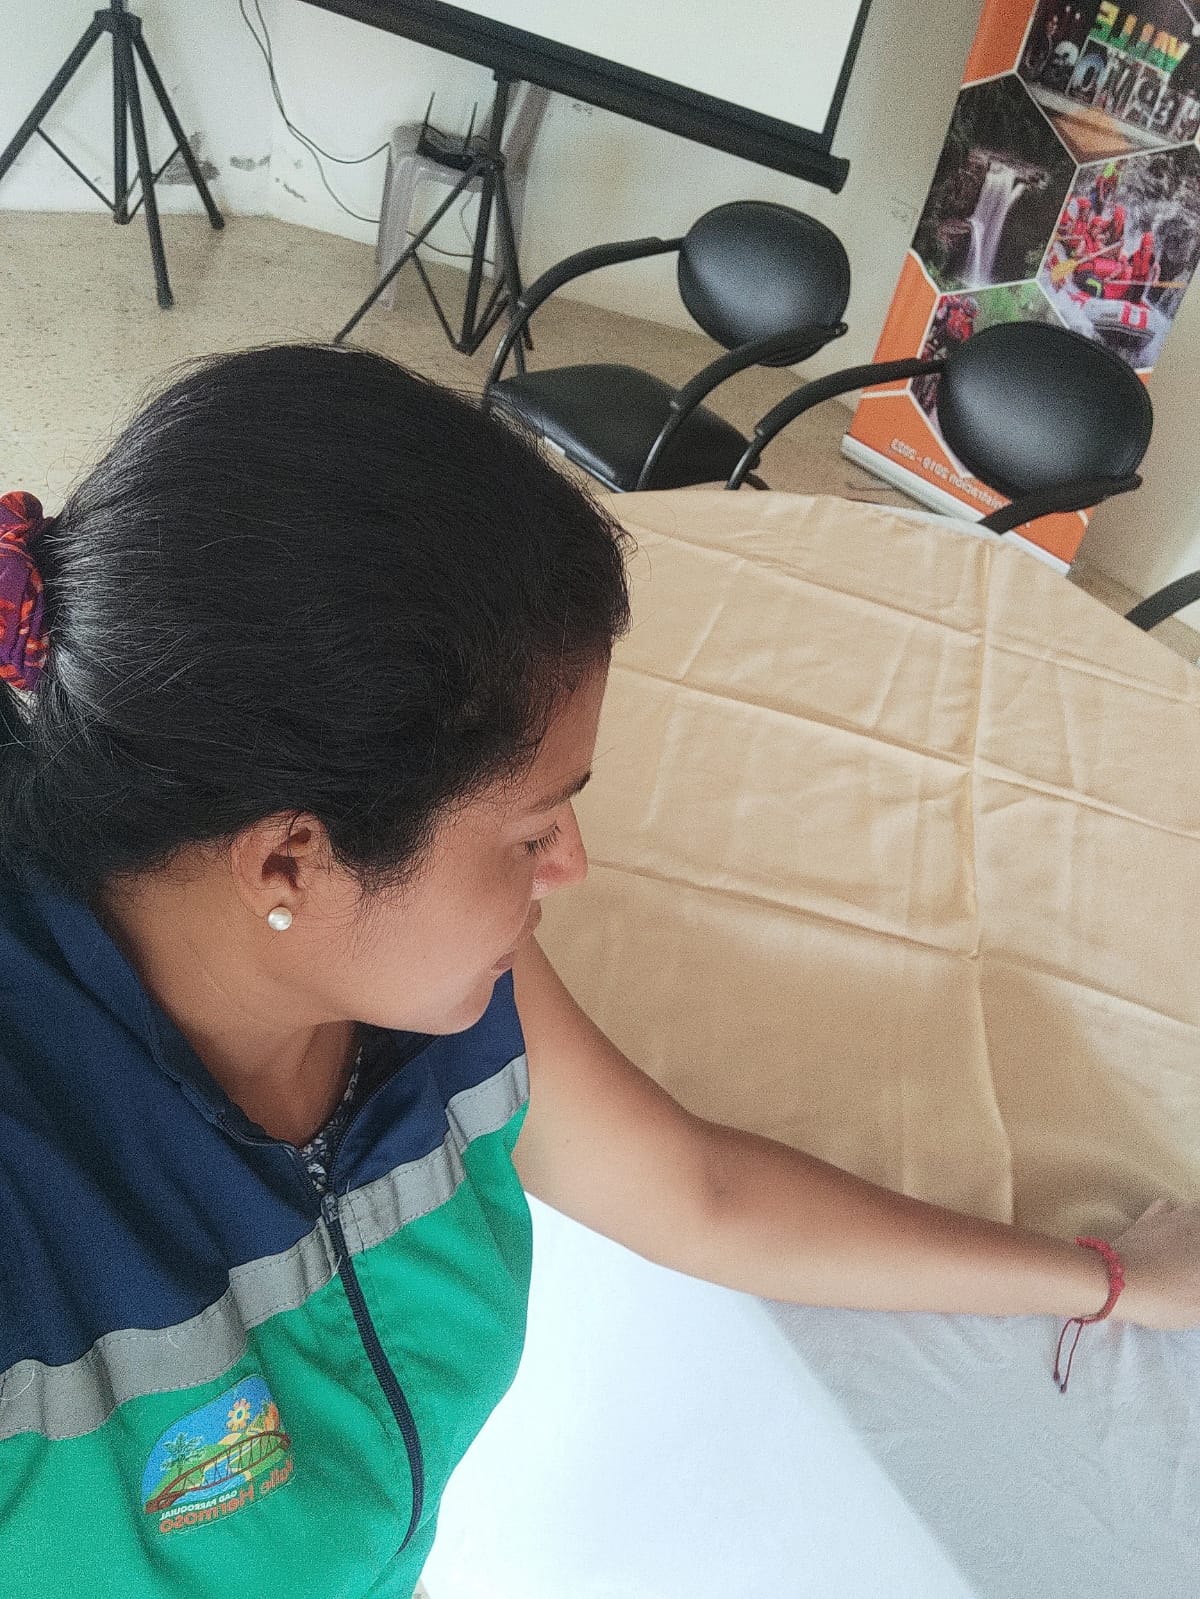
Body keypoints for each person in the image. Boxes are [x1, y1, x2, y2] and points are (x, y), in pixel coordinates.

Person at [1, 344, 1198, 1598]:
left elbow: (695, 1190)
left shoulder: (410, 984)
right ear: (290, 861)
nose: (571, 865)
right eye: (532, 829)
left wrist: (1110, 1280)